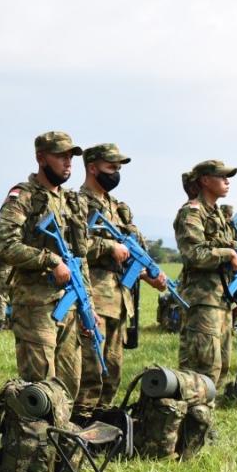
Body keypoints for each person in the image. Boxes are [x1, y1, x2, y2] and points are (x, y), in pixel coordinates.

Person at [0, 131, 91, 401]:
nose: (68, 162)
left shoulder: (72, 201)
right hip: (35, 307)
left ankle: (63, 439)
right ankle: (34, 441)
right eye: (60, 156)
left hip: (69, 307)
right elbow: (4, 246)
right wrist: (50, 260)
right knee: (39, 390)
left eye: (70, 156)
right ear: (41, 158)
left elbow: (80, 257)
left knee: (70, 383)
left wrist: (87, 306)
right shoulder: (22, 196)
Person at [75, 143, 167, 421]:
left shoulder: (117, 207)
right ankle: (81, 421)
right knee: (91, 366)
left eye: (118, 168)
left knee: (112, 368)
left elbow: (133, 248)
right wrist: (107, 248)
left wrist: (148, 272)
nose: (116, 173)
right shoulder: (77, 202)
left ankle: (103, 419)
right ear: (92, 168)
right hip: (95, 296)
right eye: (111, 167)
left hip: (120, 299)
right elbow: (74, 246)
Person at [174, 160, 237, 387]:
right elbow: (194, 254)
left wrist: (236, 298)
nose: (227, 181)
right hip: (202, 299)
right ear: (205, 180)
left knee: (222, 364)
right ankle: (190, 416)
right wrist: (228, 253)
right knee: (203, 365)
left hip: (222, 297)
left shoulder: (217, 214)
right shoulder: (192, 213)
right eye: (222, 176)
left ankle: (205, 416)